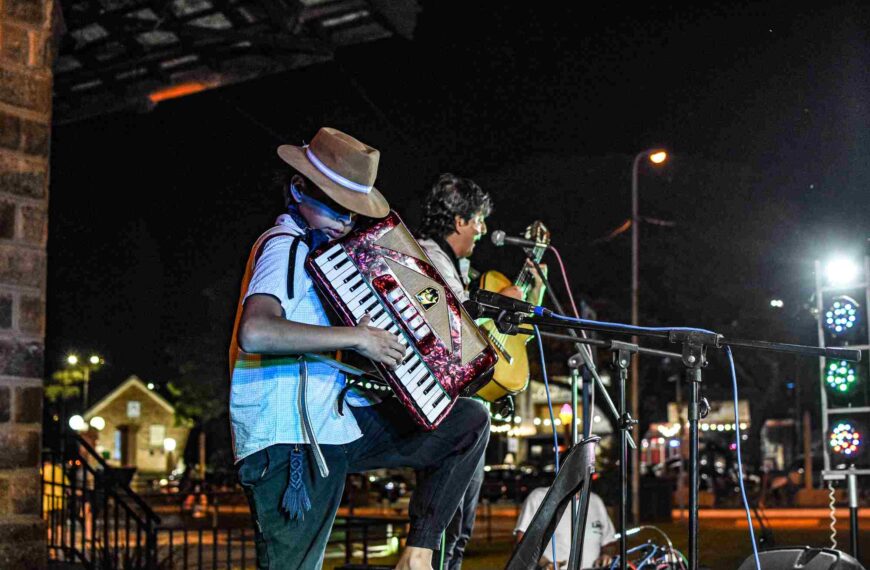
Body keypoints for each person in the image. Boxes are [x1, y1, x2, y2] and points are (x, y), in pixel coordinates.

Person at [229, 129, 490, 570]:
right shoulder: (284, 246)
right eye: (334, 206)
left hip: (329, 428)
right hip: (288, 441)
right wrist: (357, 337)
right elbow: (256, 331)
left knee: (467, 420)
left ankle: (419, 553)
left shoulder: (320, 255)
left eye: (352, 215)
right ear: (297, 189)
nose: (343, 223)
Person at [416, 173, 544, 569]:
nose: (483, 230)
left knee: (459, 533)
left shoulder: (458, 267)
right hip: (439, 408)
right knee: (441, 529)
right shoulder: (425, 259)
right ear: (459, 222)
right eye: (478, 221)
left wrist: (531, 282)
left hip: (464, 411)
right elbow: (449, 329)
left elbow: (511, 328)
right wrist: (498, 302)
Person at [514, 488, 617, 569]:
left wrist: (606, 555)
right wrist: (544, 563)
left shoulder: (596, 501)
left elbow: (609, 542)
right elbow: (523, 543)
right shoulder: (539, 497)